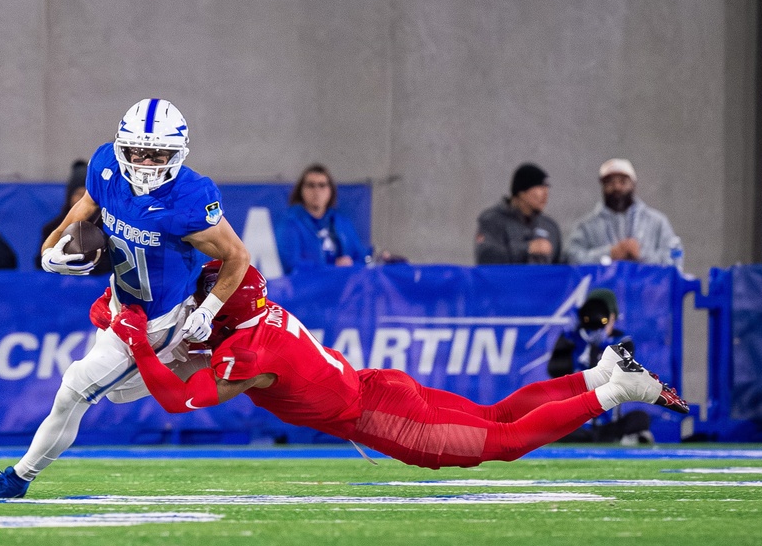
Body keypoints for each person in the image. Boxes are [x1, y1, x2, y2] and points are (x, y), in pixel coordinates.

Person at [98, 262, 687, 472]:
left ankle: (617, 390)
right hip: (377, 385)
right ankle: (597, 373)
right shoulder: (260, 318)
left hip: (377, 416)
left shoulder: (244, 352)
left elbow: (180, 399)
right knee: (496, 415)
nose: (199, 305)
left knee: (504, 443)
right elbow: (211, 354)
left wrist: (140, 345)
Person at [0, 98, 250, 499]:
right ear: (121, 147)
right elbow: (83, 210)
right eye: (138, 151)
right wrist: (50, 251)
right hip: (120, 306)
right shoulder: (106, 167)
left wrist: (209, 309)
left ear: (177, 154)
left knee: (75, 389)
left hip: (159, 321)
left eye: (158, 154)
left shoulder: (189, 197)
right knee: (114, 392)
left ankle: (17, 479)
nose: (146, 163)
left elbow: (237, 256)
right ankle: (199, 361)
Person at [547, 288, 653, 444]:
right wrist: (567, 339)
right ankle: (628, 438)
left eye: (603, 315)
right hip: (578, 422)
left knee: (640, 418)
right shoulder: (573, 339)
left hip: (608, 424)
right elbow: (554, 370)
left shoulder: (623, 341)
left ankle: (627, 437)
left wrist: (601, 347)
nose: (597, 319)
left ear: (613, 317)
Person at [566, 158, 683, 266]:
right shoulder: (586, 226)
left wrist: (642, 255)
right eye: (610, 182)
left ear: (633, 185)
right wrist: (610, 253)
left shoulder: (657, 222)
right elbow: (569, 259)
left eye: (623, 182)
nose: (617, 187)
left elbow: (675, 260)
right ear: (603, 187)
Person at [275, 164, 369, 274]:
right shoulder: (289, 223)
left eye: (322, 185)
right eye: (311, 185)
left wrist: (353, 263)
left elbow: (360, 257)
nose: (316, 191)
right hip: (308, 285)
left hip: (342, 283)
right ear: (301, 190)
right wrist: (331, 268)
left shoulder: (342, 222)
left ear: (330, 190)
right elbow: (291, 265)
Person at [475, 163, 563, 264]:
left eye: (546, 188)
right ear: (521, 192)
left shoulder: (549, 226)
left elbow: (559, 266)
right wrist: (528, 248)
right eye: (540, 188)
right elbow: (486, 257)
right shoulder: (492, 221)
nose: (545, 194)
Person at [36, 160, 110, 275]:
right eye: (79, 194)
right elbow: (40, 265)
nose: (83, 200)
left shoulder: (110, 227)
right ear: (69, 195)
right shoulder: (52, 228)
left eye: (87, 195)